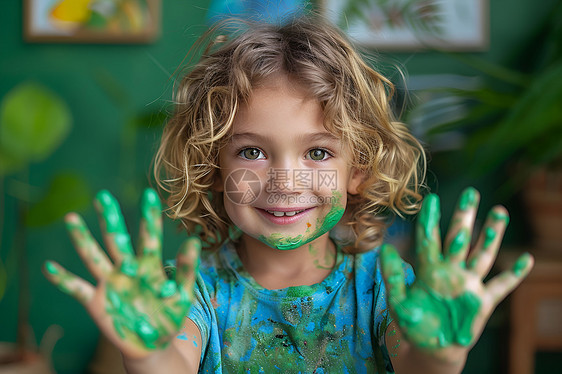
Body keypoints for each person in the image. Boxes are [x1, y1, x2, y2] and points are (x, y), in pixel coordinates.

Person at [43, 15, 534, 374]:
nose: (284, 181)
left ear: (357, 171)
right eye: (252, 152)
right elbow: (171, 362)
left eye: (318, 154)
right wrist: (146, 352)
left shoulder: (384, 289)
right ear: (212, 166)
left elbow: (414, 363)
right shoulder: (195, 295)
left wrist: (440, 356)